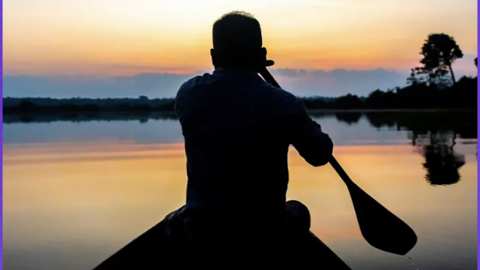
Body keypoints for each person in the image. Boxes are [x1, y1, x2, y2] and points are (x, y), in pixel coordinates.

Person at [174, 11, 333, 265]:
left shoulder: (189, 94)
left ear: (214, 56)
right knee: (297, 211)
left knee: (179, 219)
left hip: (203, 233)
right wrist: (310, 126)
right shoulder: (283, 103)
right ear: (262, 55)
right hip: (263, 236)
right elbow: (319, 155)